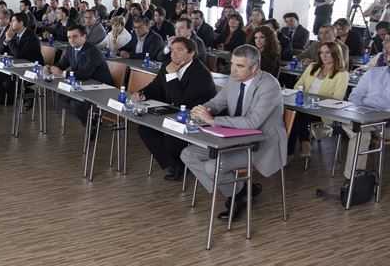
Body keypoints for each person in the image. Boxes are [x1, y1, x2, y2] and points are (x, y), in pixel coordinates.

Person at [182, 45, 287, 222]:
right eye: (232, 64)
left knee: (212, 167)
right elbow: (217, 103)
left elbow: (252, 122)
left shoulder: (270, 86)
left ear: (254, 68)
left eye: (240, 66)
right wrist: (202, 110)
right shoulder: (234, 79)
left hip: (262, 144)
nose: (233, 70)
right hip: (234, 139)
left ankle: (236, 196)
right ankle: (239, 192)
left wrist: (213, 121)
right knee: (188, 154)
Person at [132, 37, 217, 180]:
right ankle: (172, 164)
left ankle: (179, 167)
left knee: (171, 134)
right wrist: (142, 93)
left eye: (179, 50)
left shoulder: (201, 73)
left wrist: (171, 75)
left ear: (191, 53)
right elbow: (156, 86)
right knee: (145, 129)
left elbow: (181, 102)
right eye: (172, 50)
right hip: (173, 112)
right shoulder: (168, 65)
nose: (174, 54)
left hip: (193, 117)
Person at [288, 42, 349, 159]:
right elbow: (298, 86)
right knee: (292, 113)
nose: (323, 56)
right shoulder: (312, 67)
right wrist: (305, 98)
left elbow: (337, 98)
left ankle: (295, 149)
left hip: (323, 112)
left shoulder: (342, 74)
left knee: (296, 115)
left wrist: (312, 100)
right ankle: (299, 145)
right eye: (321, 53)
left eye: (327, 53)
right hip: (303, 107)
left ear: (335, 54)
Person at [47, 24, 114, 126]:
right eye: (69, 37)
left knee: (77, 103)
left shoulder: (92, 51)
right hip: (84, 84)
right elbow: (61, 65)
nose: (71, 40)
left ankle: (92, 124)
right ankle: (90, 120)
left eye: (75, 36)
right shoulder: (70, 49)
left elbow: (85, 73)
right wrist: (50, 68)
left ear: (84, 37)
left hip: (100, 87)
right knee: (62, 96)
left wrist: (62, 73)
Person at [339, 64, 390, 182]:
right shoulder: (373, 73)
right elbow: (355, 95)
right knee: (359, 132)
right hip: (363, 115)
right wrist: (359, 110)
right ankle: (355, 180)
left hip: (386, 122)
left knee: (359, 133)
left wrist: (380, 114)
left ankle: (352, 180)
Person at [0, 12, 44, 105]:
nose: (10, 23)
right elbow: (1, 51)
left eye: (13, 21)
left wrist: (10, 40)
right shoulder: (15, 34)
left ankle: (15, 98)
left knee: (9, 82)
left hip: (31, 68)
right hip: (17, 65)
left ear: (21, 23)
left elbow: (19, 55)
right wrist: (6, 41)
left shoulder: (31, 37)